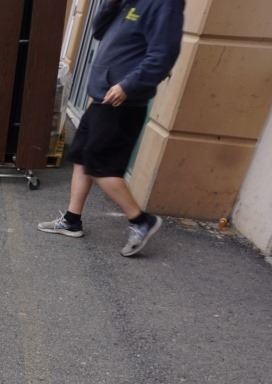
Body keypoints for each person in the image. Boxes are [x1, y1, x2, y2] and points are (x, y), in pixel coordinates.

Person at [38, 0, 184, 257]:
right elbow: (99, 31)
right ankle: (72, 220)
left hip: (122, 102)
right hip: (102, 96)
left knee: (100, 165)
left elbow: (163, 55)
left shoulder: (165, 4)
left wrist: (128, 86)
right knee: (82, 156)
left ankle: (141, 221)